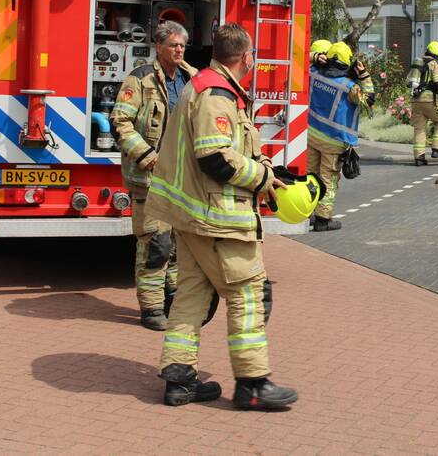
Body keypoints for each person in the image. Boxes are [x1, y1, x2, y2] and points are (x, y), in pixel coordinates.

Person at [147, 23, 297, 410]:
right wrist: (264, 177)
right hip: (218, 219)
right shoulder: (216, 93)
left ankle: (179, 380)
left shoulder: (206, 85)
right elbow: (214, 157)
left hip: (194, 216)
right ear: (247, 57)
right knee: (247, 295)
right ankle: (252, 384)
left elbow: (230, 147)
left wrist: (265, 164)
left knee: (191, 296)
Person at [109, 20, 196, 331]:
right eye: (173, 44)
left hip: (181, 179)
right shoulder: (140, 79)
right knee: (155, 244)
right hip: (149, 179)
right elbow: (120, 122)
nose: (179, 49)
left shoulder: (191, 78)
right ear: (158, 47)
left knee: (176, 246)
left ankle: (172, 300)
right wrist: (147, 157)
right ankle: (151, 308)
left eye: (182, 45)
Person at [306, 41, 372, 231]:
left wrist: (314, 57)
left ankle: (307, 213)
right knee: (328, 179)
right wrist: (364, 76)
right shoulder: (350, 87)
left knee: (311, 174)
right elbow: (369, 101)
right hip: (334, 140)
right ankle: (323, 220)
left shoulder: (314, 73)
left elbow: (299, 59)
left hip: (311, 134)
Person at [410, 41, 438, 166]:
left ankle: (419, 157)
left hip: (415, 100)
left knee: (419, 128)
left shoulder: (418, 64)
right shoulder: (436, 65)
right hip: (429, 100)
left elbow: (408, 82)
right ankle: (437, 149)